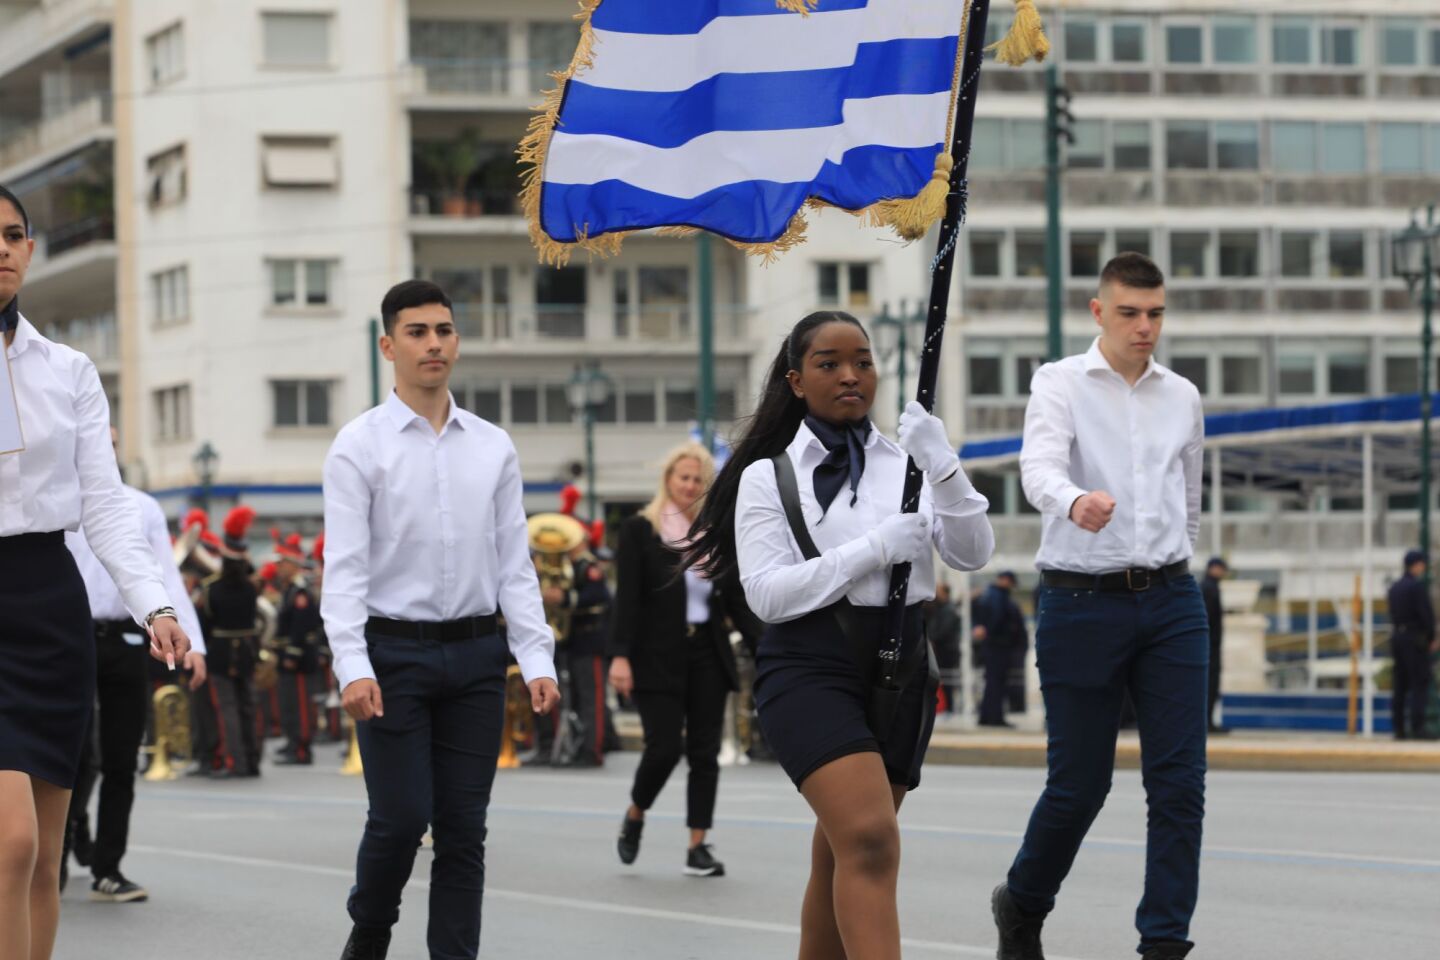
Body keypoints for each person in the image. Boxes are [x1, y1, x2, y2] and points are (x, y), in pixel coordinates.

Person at [685, 311, 993, 958]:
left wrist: (943, 465)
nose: (851, 375)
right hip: (810, 667)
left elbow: (972, 553)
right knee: (872, 841)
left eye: (863, 361)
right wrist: (877, 548)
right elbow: (769, 593)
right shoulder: (768, 476)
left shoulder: (908, 461)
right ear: (796, 380)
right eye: (829, 364)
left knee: (843, 852)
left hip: (903, 664)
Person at [322, 279, 559, 960]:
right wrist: (353, 667)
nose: (434, 343)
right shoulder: (357, 446)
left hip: (477, 660)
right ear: (387, 345)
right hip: (391, 656)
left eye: (445, 330)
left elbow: (514, 563)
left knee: (464, 831)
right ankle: (369, 934)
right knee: (399, 820)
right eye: (419, 332)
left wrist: (536, 659)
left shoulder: (492, 446)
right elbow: (344, 572)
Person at [994, 253, 1207, 960]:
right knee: (1079, 787)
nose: (1145, 327)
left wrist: (1180, 560)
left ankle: (1163, 945)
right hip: (1081, 601)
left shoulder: (1183, 395)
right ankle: (1022, 902)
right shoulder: (1059, 383)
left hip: (1173, 600)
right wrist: (1073, 501)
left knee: (1179, 786)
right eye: (1130, 313)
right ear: (1098, 312)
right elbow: (1037, 467)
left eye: (1156, 314)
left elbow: (1192, 498)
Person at [0, 183, 191, 960]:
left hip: (49, 604)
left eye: (13, 234)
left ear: (31, 249)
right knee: (9, 845)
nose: (1, 248)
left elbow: (106, 506)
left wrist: (156, 606)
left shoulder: (70, 370)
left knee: (44, 858)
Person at [62, 429, 207, 901]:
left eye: (111, 440)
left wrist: (195, 642)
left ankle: (108, 868)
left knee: (123, 757)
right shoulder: (56, 499)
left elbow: (163, 572)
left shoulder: (141, 506)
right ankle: (58, 853)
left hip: (126, 638)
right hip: (69, 639)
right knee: (75, 757)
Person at [608, 443, 741, 876]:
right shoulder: (640, 531)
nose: (689, 485)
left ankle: (697, 844)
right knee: (663, 748)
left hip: (706, 649)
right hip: (656, 655)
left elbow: (735, 598)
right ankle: (635, 813)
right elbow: (627, 599)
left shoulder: (714, 533)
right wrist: (620, 657)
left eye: (698, 479)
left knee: (704, 753)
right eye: (683, 477)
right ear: (668, 480)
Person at [195, 507, 265, 776]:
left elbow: (205, 624)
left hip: (221, 652)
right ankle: (252, 760)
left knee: (227, 709)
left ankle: (234, 762)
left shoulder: (212, 589)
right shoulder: (251, 587)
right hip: (247, 651)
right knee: (249, 705)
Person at [274, 532, 321, 765]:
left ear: (293, 564)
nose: (279, 567)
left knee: (301, 704)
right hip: (287, 656)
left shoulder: (300, 592)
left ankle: (302, 748)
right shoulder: (289, 589)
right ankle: (293, 742)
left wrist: (292, 653)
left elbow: (301, 627)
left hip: (299, 658)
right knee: (289, 703)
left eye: (282, 563)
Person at [1389, 549, 1436, 741]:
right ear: (1416, 564)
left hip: (1397, 638)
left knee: (1400, 685)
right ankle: (1418, 728)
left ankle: (1398, 729)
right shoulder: (1416, 587)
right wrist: (1431, 637)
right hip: (1414, 639)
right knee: (1419, 683)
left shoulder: (1395, 587)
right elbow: (1426, 616)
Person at [976, 572, 1026, 728]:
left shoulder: (989, 594)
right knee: (997, 682)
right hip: (999, 645)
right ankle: (995, 717)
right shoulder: (999, 596)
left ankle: (986, 716)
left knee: (992, 681)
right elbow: (997, 618)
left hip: (993, 645)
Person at [1201, 557, 1228, 734]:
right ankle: (1207, 722)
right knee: (1209, 684)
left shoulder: (1209, 586)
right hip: (1210, 644)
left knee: (1211, 685)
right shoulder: (1209, 588)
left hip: (1210, 643)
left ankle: (1208, 721)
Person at [926, 583, 961, 714]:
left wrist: (932, 638)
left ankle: (949, 707)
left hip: (946, 650)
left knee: (947, 679)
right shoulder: (941, 608)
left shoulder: (948, 610)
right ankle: (947, 706)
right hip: (944, 649)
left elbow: (944, 630)